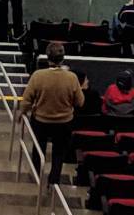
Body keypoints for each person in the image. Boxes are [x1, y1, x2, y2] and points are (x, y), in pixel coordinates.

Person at [20, 44, 85, 186]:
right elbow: (80, 102)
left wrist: (22, 112)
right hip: (64, 122)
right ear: (62, 58)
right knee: (59, 153)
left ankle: (36, 175)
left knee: (38, 149)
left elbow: (27, 100)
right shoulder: (72, 78)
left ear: (48, 57)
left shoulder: (38, 76)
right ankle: (54, 180)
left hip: (41, 121)